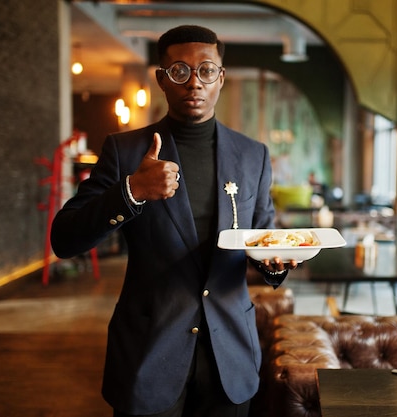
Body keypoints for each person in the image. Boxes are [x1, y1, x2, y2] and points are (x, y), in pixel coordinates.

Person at [51, 25, 296, 417]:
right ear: (162, 79)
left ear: (221, 77)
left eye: (206, 71)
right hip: (149, 348)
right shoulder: (126, 150)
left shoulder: (254, 155)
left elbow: (261, 237)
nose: (194, 83)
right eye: (180, 71)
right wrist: (130, 190)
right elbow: (64, 239)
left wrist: (274, 262)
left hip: (230, 355)